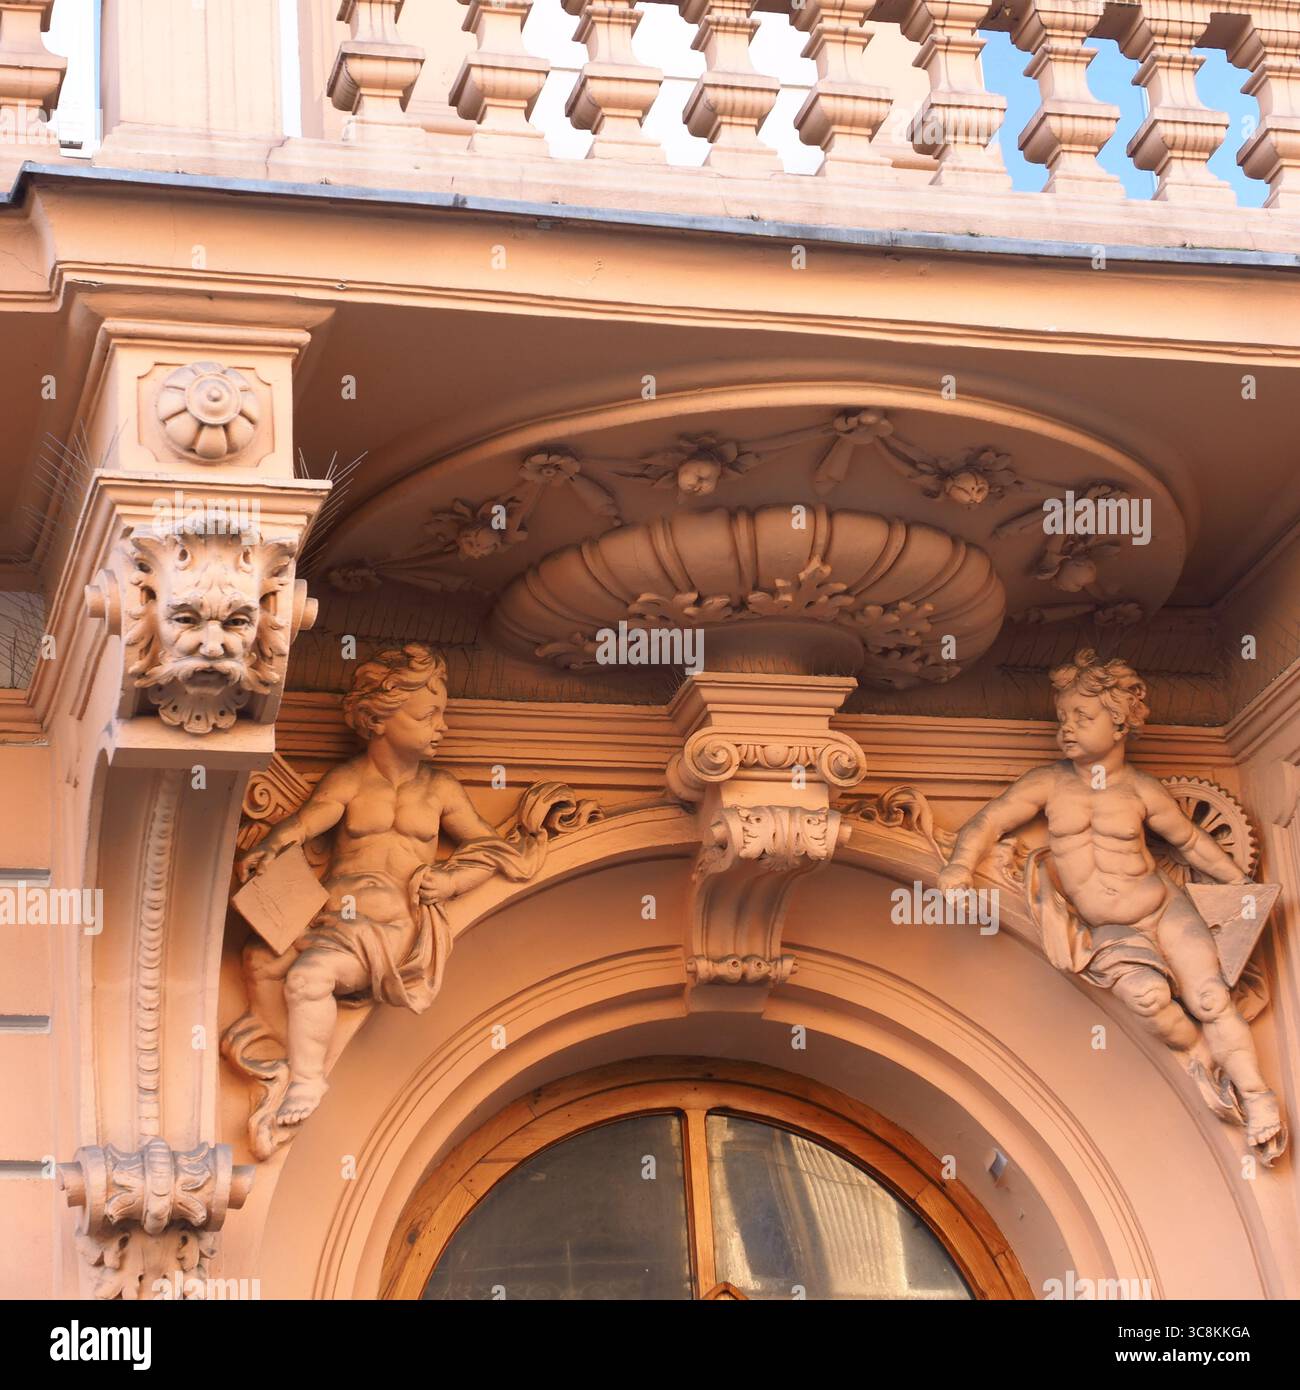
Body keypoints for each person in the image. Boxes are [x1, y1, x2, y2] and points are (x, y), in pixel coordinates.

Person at [938, 648, 1285, 1161]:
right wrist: (958, 867)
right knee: (1148, 999)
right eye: (1062, 718)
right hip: (1111, 929)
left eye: (1083, 716)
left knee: (1212, 998)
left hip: (1165, 909)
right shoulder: (1049, 783)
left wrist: (1244, 890)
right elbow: (990, 821)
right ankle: (1201, 1056)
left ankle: (1259, 1100)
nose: (1067, 728)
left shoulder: (1141, 790)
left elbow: (1190, 843)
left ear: (1120, 723)